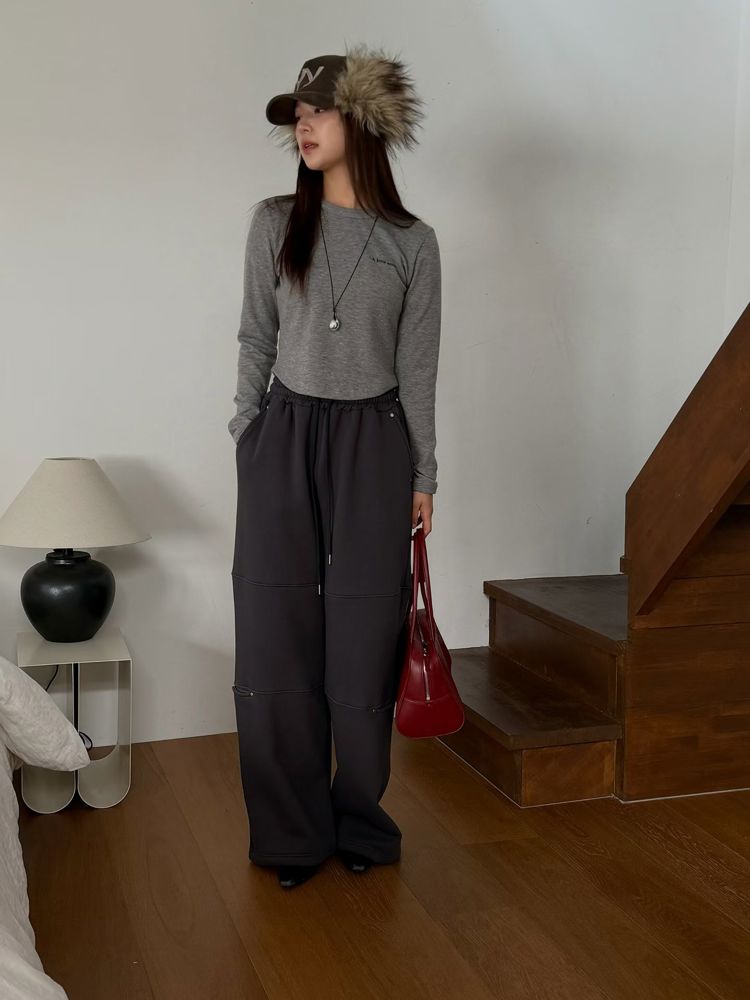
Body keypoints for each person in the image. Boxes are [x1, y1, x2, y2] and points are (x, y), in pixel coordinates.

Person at [228, 43, 442, 889]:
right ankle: (290, 834)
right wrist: (248, 431)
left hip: (374, 447)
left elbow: (418, 370)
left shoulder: (413, 243)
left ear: (363, 120)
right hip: (282, 437)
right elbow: (255, 335)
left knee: (363, 639)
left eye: (319, 112)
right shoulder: (273, 221)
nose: (304, 127)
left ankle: (360, 822)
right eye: (297, 117)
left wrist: (424, 475)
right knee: (275, 633)